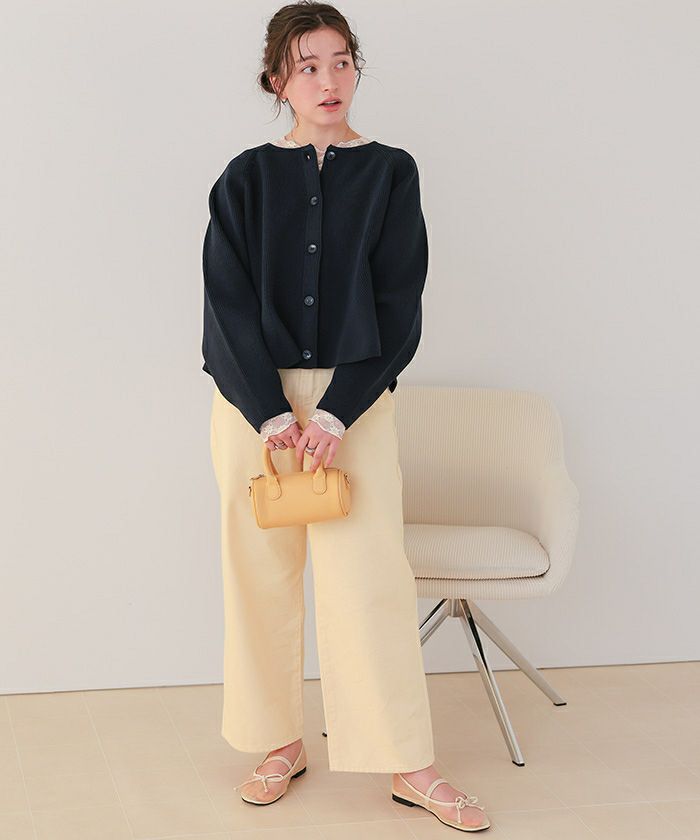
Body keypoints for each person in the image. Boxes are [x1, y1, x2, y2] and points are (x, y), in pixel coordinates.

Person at [202, 1, 490, 832]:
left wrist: (332, 415)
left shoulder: (392, 172)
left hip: (353, 404)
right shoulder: (245, 178)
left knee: (369, 581)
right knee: (259, 576)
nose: (328, 80)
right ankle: (277, 743)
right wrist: (270, 414)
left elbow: (399, 304)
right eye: (307, 66)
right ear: (277, 81)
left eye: (340, 61)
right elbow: (224, 305)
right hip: (251, 404)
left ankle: (408, 762)